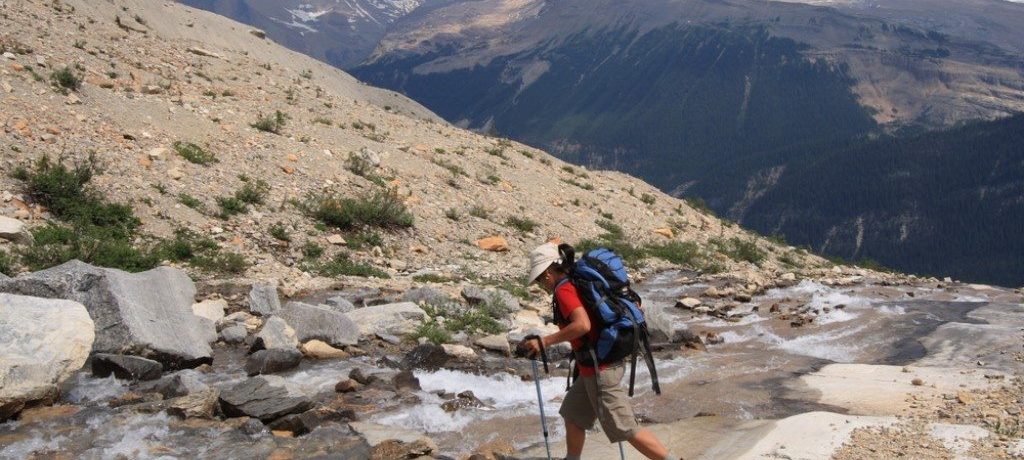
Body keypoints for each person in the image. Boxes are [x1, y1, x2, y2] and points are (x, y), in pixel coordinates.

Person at [520, 242, 680, 460]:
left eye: (539, 278)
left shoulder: (564, 290)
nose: (540, 284)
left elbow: (582, 325)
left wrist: (544, 342)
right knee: (573, 413)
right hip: (594, 365)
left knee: (625, 428)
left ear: (548, 272)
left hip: (601, 369)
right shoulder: (575, 281)